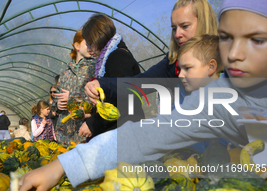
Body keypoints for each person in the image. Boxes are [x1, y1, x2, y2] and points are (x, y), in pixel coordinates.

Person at [16, 0, 267, 191]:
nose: (235, 53)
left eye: (256, 39)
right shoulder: (212, 99)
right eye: (227, 38)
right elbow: (145, 132)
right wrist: (63, 165)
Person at [84, 0, 218, 110]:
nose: (177, 34)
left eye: (185, 26)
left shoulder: (228, 60)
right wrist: (102, 84)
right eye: (174, 28)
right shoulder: (172, 62)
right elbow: (140, 83)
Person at [78, 14, 142, 138]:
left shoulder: (118, 57)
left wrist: (93, 124)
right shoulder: (109, 58)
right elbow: (108, 101)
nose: (89, 49)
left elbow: (119, 100)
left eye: (90, 44)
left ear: (99, 38)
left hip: (125, 132)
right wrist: (90, 114)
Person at [176, 34, 235, 152]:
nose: (180, 75)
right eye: (180, 69)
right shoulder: (182, 95)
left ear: (211, 66)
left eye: (187, 68)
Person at [51, 30, 95, 147]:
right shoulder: (65, 74)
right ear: (77, 46)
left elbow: (97, 100)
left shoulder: (95, 70)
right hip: (63, 135)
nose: (92, 47)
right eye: (88, 44)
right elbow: (54, 103)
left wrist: (72, 97)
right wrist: (58, 106)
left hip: (84, 134)